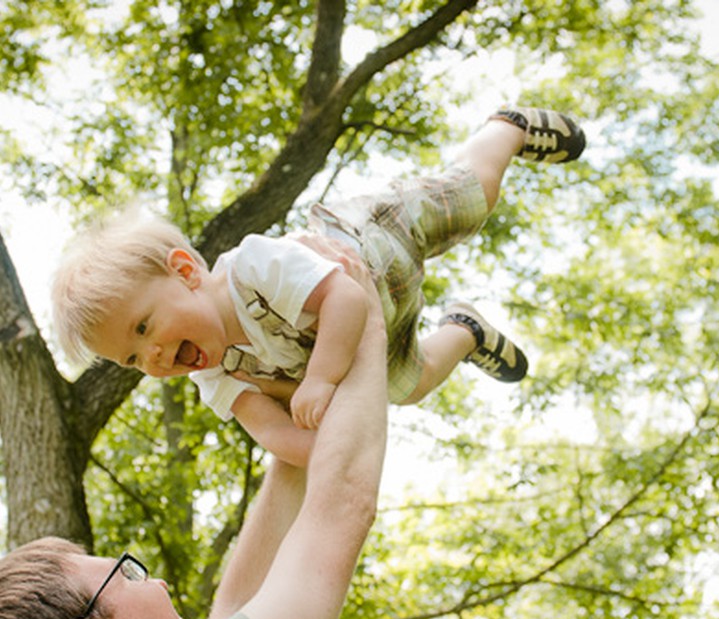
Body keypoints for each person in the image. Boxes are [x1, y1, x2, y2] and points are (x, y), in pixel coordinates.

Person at [0, 246, 388, 619]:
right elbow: (341, 504)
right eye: (127, 575)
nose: (155, 581)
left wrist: (288, 445)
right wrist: (366, 321)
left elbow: (233, 617)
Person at [51, 105, 586, 467]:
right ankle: (466, 331)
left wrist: (321, 381)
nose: (153, 355)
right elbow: (274, 434)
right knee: (409, 387)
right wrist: (325, 454)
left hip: (374, 243)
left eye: (143, 327)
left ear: (187, 274)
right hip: (376, 332)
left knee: (469, 201)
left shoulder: (251, 269)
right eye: (132, 359)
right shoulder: (216, 375)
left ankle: (506, 127)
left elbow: (345, 297)